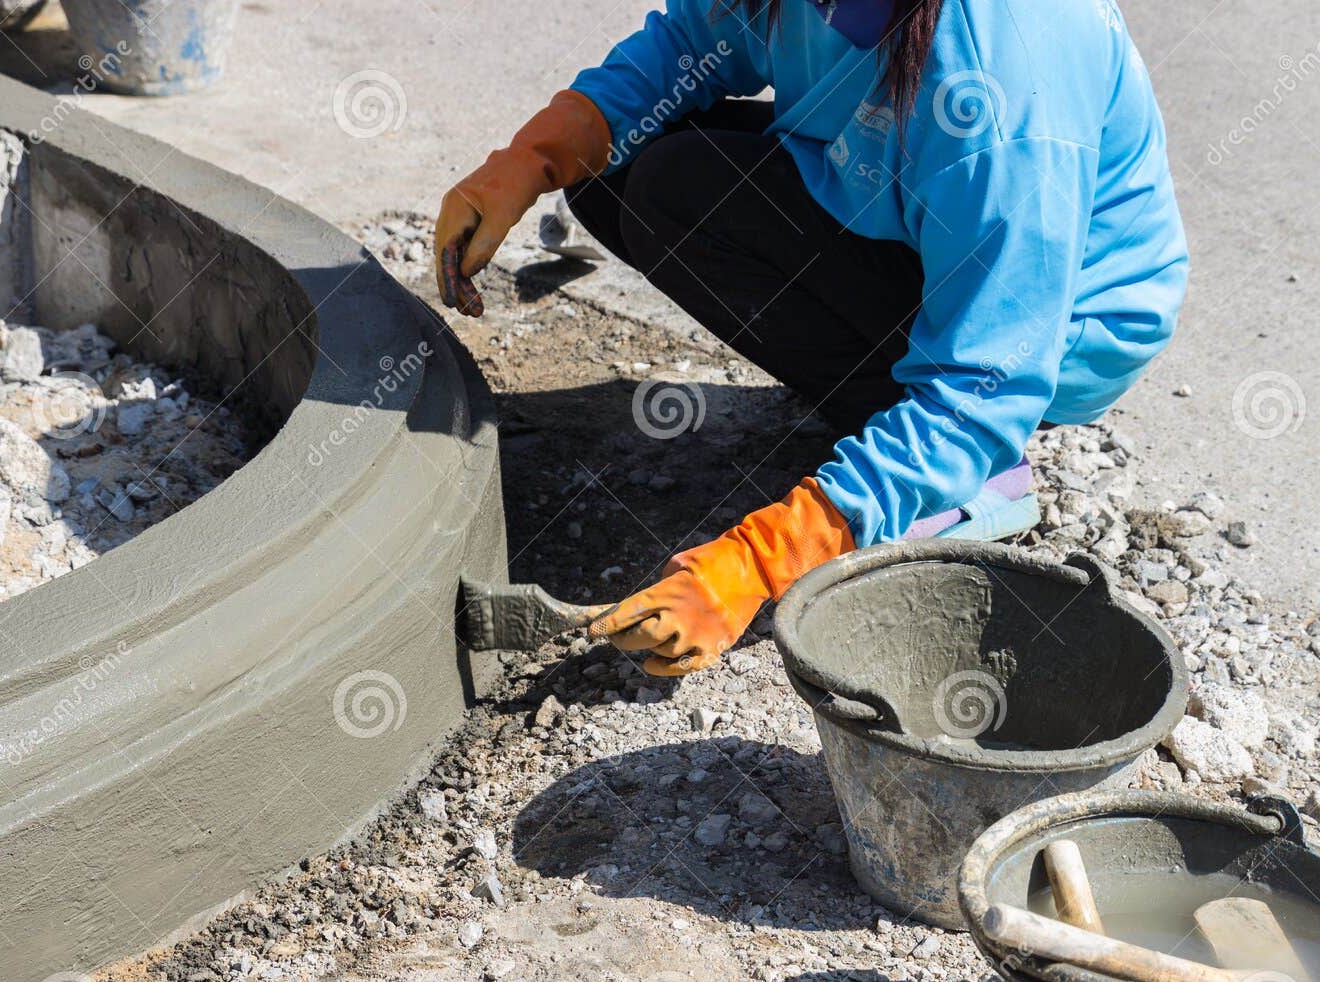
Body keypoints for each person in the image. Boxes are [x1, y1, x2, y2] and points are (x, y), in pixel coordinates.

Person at [434, 0, 1187, 677]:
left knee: (676, 188)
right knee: (620, 163)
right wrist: (532, 158)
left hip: (1044, 334)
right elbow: (697, 38)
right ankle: (899, 432)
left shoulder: (1001, 80)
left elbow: (985, 381)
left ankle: (972, 474)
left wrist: (762, 560)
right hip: (904, 210)